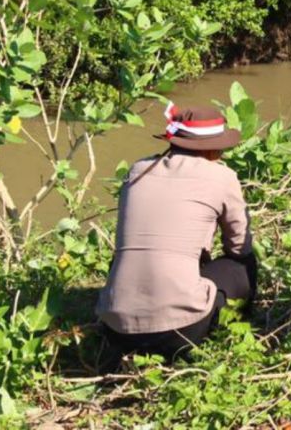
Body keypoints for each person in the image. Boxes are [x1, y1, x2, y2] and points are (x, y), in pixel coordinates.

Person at [97, 104, 256, 363]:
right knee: (241, 265)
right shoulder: (222, 176)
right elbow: (239, 246)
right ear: (212, 148)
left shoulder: (137, 170)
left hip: (115, 329)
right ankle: (245, 324)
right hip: (179, 332)